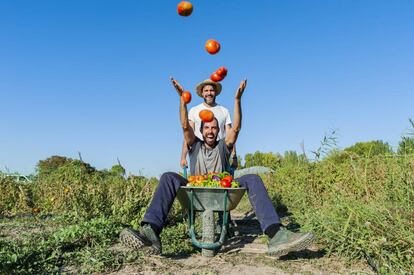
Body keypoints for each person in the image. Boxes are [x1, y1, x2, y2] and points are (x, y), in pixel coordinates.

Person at [119, 78, 314, 257]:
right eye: (206, 128)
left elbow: (236, 129)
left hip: (223, 187)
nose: (210, 131)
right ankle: (150, 232)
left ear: (218, 130)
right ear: (202, 131)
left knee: (253, 178)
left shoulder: (223, 145)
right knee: (168, 176)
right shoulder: (194, 144)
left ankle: (275, 234)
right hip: (195, 186)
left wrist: (237, 100)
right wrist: (182, 100)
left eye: (214, 128)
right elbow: (185, 126)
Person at [173, 78, 239, 172]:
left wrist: (234, 156)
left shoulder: (224, 111)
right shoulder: (194, 110)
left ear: (215, 92)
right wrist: (183, 156)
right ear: (202, 93)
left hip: (219, 154)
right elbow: (187, 133)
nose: (209, 93)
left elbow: (230, 135)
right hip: (198, 152)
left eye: (211, 90)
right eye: (206, 91)